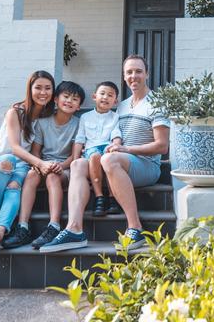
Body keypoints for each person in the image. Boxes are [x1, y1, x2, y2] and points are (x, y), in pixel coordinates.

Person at [41, 55, 170, 253]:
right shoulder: (123, 105)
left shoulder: (157, 103)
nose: (133, 76)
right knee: (78, 164)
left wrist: (126, 149)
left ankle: (135, 227)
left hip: (145, 166)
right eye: (129, 72)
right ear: (124, 76)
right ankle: (74, 229)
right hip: (116, 163)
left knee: (109, 159)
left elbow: (162, 146)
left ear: (147, 74)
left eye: (138, 71)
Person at [0, 70, 55, 259]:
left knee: (14, 186)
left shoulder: (46, 118)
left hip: (20, 167)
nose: (43, 92)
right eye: (38, 88)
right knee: (10, 160)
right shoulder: (15, 112)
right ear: (30, 89)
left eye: (48, 88)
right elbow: (15, 148)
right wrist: (40, 164)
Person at [22, 80, 84, 250]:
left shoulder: (79, 124)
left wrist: (61, 166)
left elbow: (75, 155)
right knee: (31, 175)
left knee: (52, 176)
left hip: (65, 169)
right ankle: (22, 226)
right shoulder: (43, 123)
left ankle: (54, 226)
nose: (69, 101)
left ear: (79, 106)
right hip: (43, 165)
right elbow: (35, 151)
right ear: (56, 99)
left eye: (75, 99)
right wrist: (41, 164)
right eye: (66, 96)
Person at [77, 81, 121, 217]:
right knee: (95, 156)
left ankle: (113, 197)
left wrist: (116, 146)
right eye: (102, 93)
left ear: (115, 101)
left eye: (110, 95)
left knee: (110, 158)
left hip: (107, 148)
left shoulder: (115, 117)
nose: (105, 97)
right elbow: (80, 139)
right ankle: (99, 197)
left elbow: (116, 134)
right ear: (94, 96)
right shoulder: (85, 117)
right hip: (91, 150)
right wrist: (75, 158)